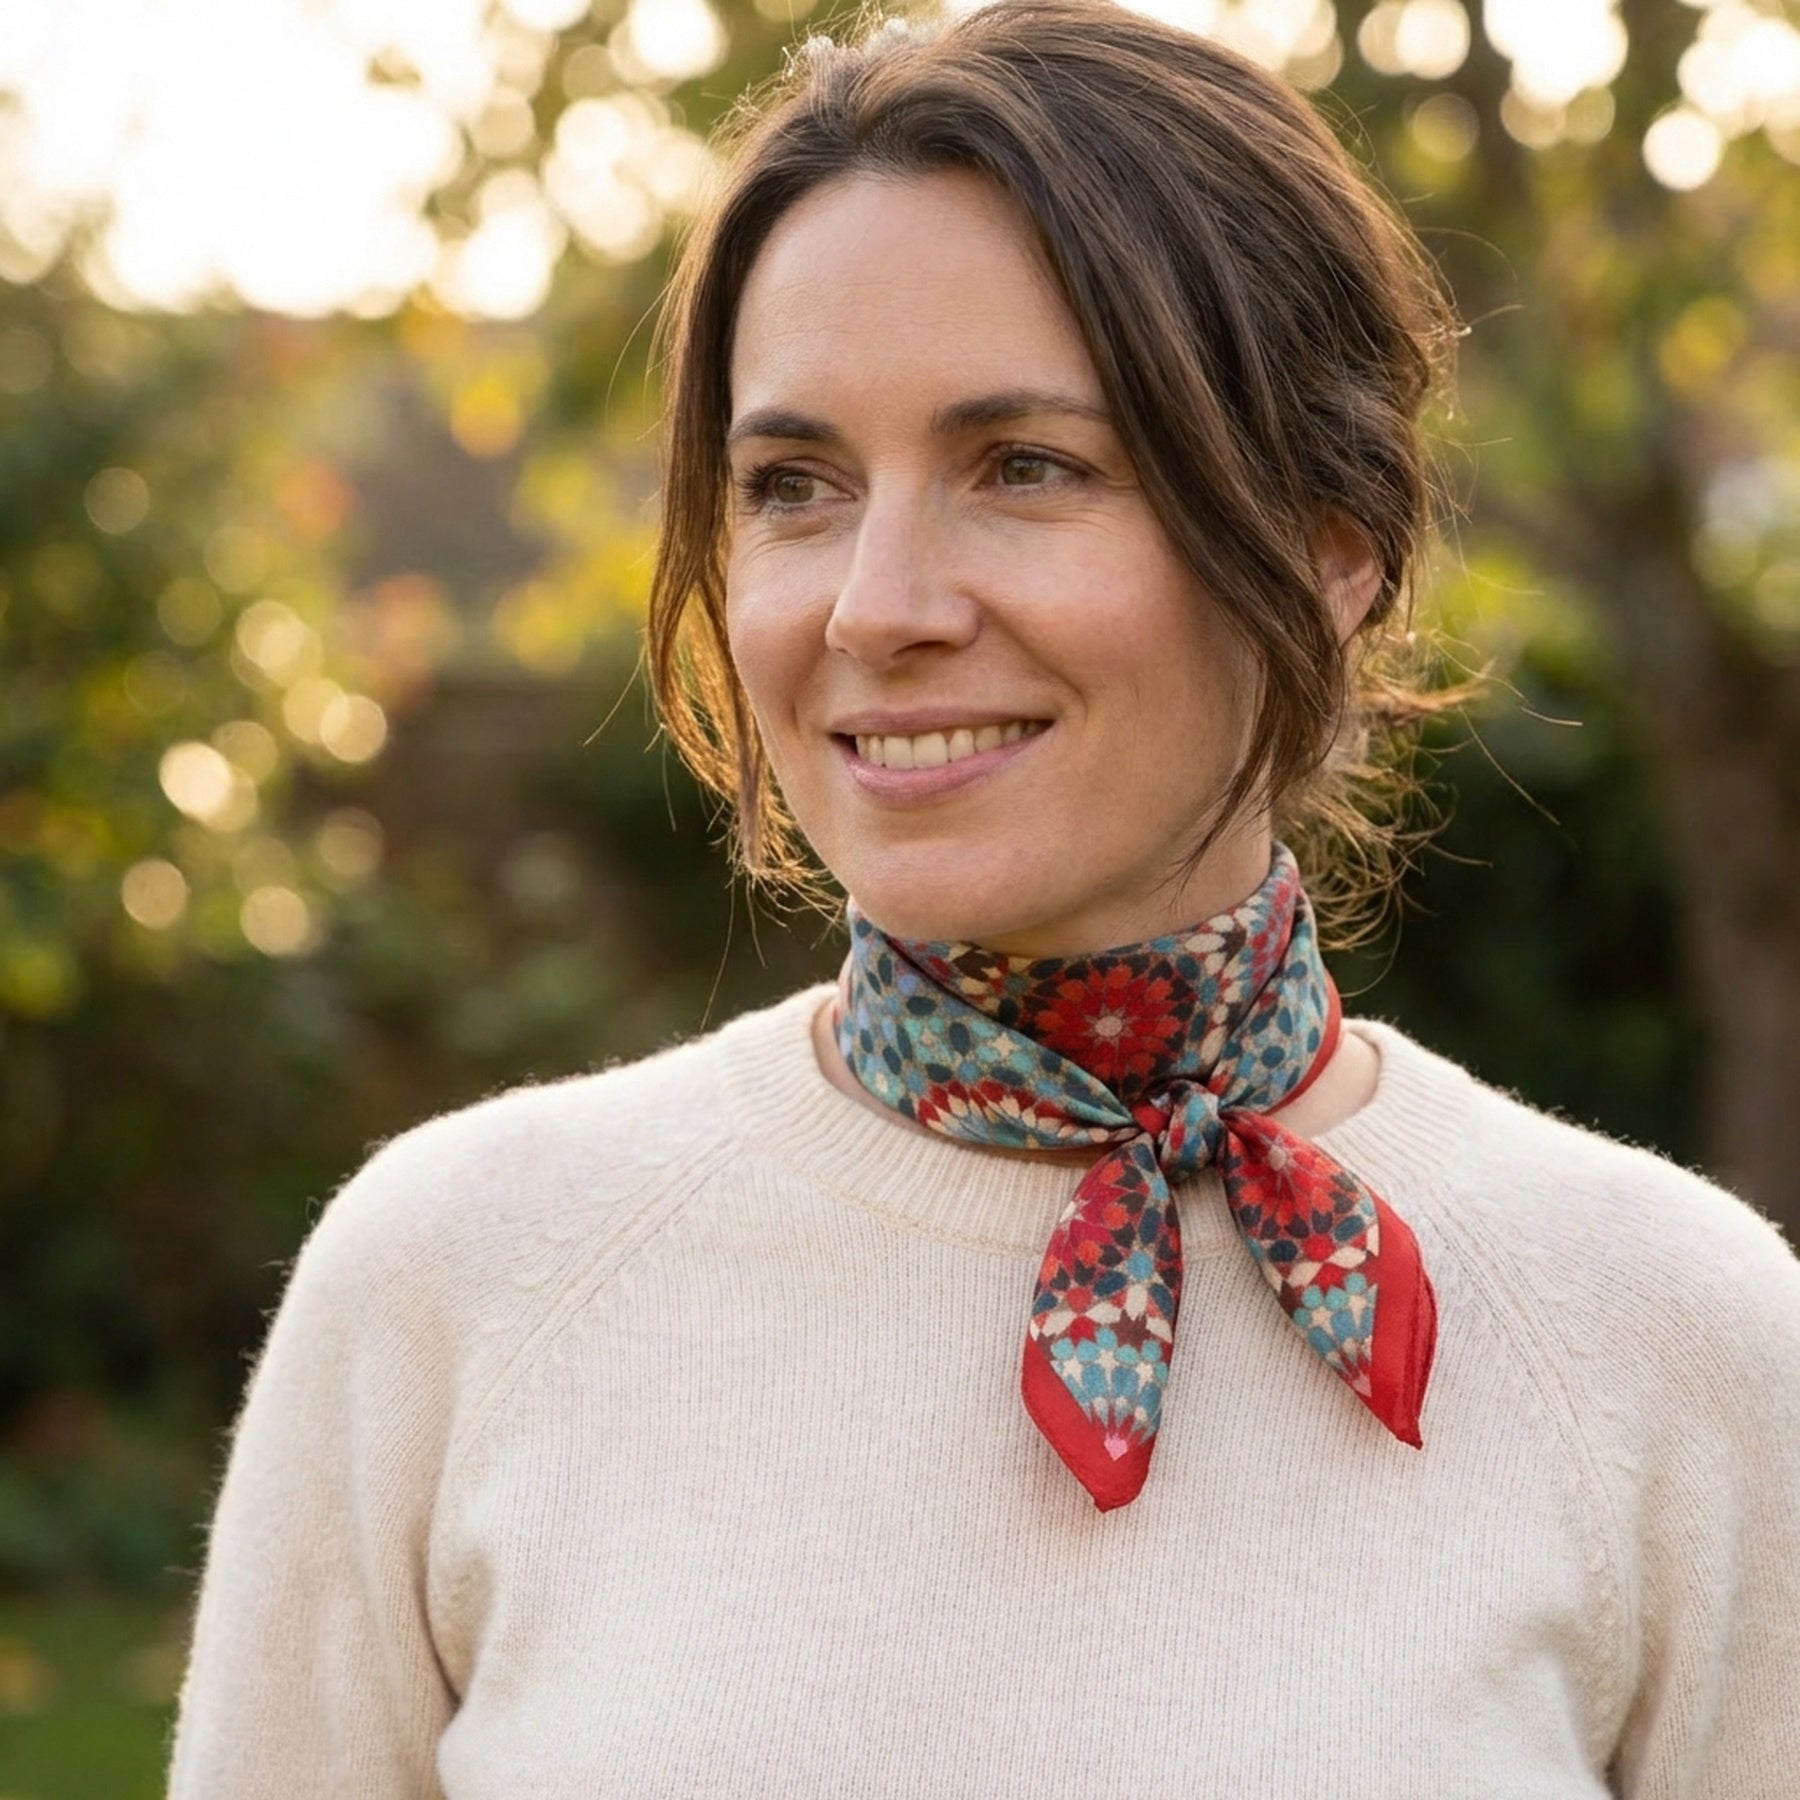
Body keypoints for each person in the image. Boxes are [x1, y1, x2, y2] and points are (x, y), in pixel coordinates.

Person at [167, 2, 1800, 1794]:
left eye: (1027, 465)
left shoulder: (1677, 1344)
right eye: (794, 485)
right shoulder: (454, 1289)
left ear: (1333, 553)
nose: (874, 604)